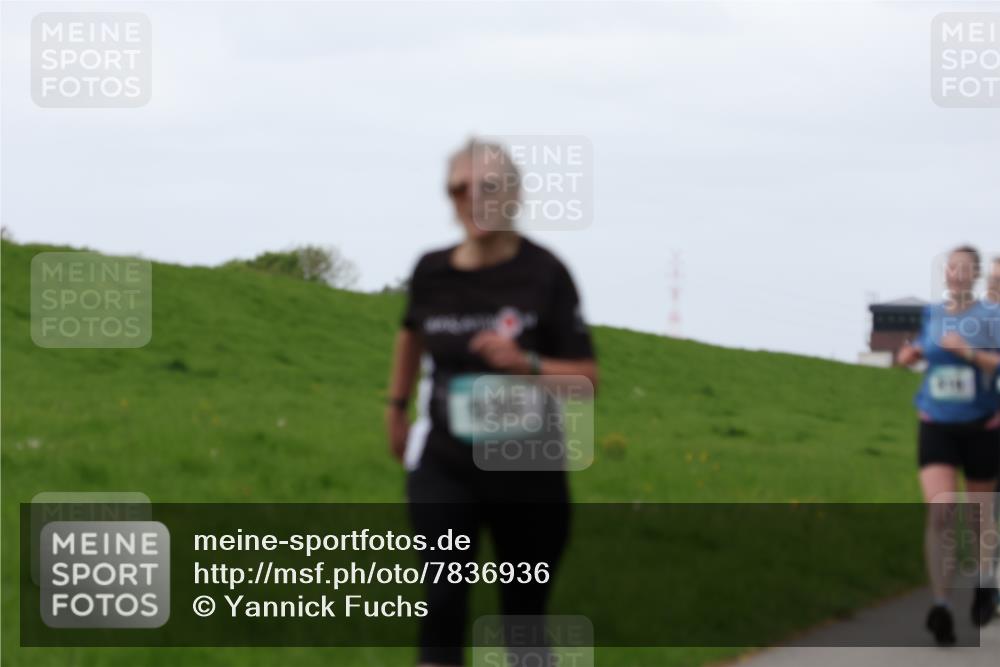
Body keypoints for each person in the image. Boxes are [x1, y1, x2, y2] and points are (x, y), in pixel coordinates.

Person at [385, 138, 598, 666]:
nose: (472, 199)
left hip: (528, 471)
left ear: (514, 195)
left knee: (523, 619)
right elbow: (410, 333)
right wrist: (396, 406)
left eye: (487, 186)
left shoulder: (546, 274)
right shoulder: (431, 271)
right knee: (442, 597)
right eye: (459, 189)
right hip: (445, 464)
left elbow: (587, 380)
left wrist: (527, 364)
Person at [898, 245, 1000, 645]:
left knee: (978, 516)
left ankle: (984, 584)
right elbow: (925, 349)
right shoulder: (933, 314)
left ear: (975, 275)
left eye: (963, 268)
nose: (955, 273)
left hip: (982, 425)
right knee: (941, 512)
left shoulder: (991, 316)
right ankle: (940, 606)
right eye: (950, 267)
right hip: (936, 422)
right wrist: (911, 354)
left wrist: (969, 353)